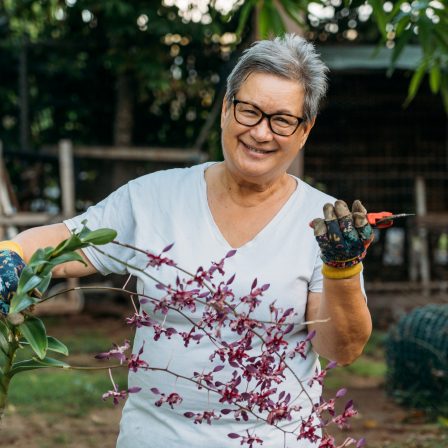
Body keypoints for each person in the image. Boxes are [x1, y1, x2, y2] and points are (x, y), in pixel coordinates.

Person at [0, 34, 372, 447]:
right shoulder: (155, 198)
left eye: (282, 120)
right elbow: (65, 242)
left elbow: (342, 347)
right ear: (226, 109)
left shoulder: (323, 224)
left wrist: (342, 269)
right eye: (249, 111)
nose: (261, 133)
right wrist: (12, 255)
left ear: (304, 130)